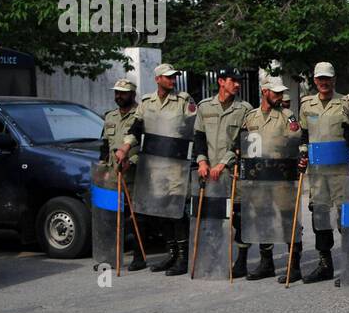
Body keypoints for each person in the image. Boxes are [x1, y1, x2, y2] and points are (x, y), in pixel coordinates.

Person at [117, 63, 195, 276]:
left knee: (176, 210)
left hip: (176, 165)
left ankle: (183, 257)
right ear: (157, 79)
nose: (173, 80)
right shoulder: (146, 103)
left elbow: (193, 129)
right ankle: (171, 254)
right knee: (161, 211)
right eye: (168, 77)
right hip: (154, 166)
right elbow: (136, 127)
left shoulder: (184, 100)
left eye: (174, 77)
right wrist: (125, 147)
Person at [238, 77, 307, 281]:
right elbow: (243, 144)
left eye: (281, 93)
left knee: (289, 219)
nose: (280, 96)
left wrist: (302, 157)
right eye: (276, 92)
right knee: (262, 218)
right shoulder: (251, 117)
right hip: (258, 178)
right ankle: (266, 262)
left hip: (281, 175)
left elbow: (299, 140)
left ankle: (293, 266)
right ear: (264, 91)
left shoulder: (287, 116)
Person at [193, 69, 253, 277]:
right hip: (209, 172)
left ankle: (242, 261)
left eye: (238, 81)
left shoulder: (244, 109)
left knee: (238, 217)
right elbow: (199, 137)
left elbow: (242, 140)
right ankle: (215, 258)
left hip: (232, 171)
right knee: (214, 217)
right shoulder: (204, 107)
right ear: (221, 82)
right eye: (232, 80)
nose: (237, 85)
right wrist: (202, 161)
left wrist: (224, 162)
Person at [296, 62, 347, 285]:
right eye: (320, 79)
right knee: (320, 217)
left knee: (344, 218)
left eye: (327, 78)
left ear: (334, 79)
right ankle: (325, 264)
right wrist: (302, 154)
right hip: (317, 172)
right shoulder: (307, 104)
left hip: (341, 171)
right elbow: (304, 135)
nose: (323, 82)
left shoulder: (345, 103)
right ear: (315, 81)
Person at [100, 79, 145, 271]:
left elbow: (147, 147)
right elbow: (104, 145)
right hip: (112, 175)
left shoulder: (141, 116)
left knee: (136, 218)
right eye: (117, 92)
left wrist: (131, 162)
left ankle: (139, 257)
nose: (119, 96)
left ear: (133, 94)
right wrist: (102, 169)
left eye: (123, 93)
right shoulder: (109, 116)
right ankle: (110, 257)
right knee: (110, 218)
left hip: (134, 175)